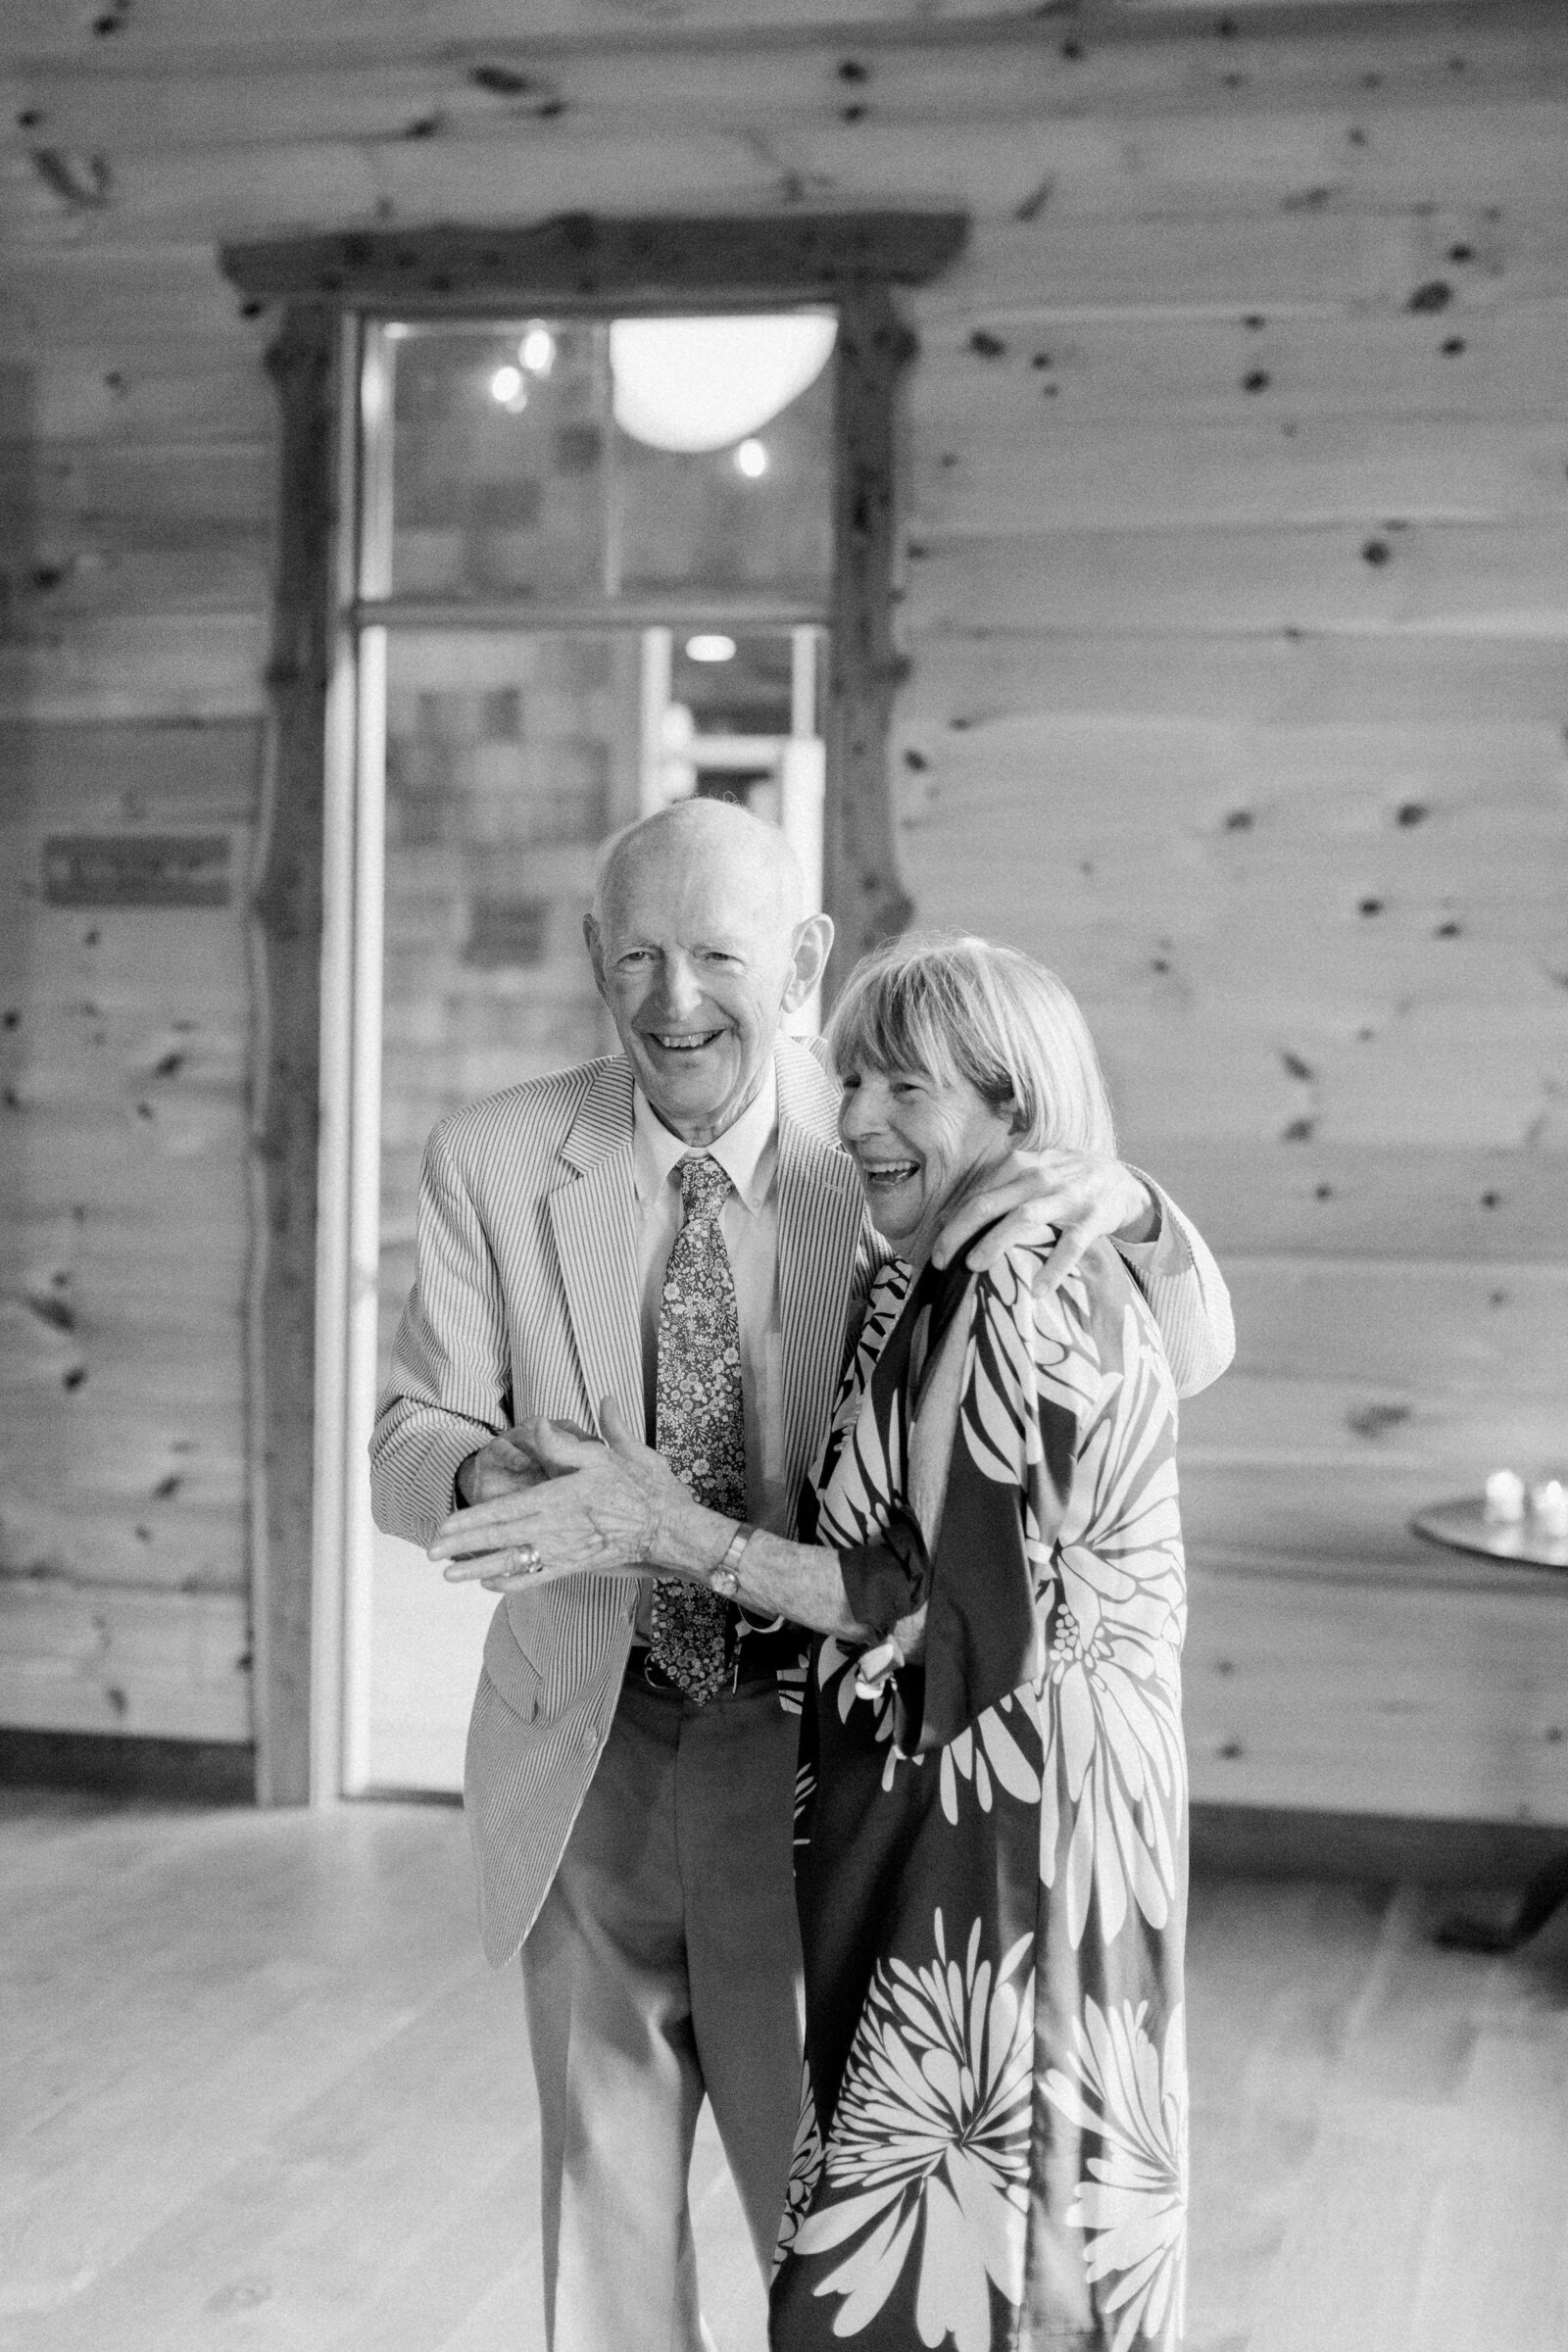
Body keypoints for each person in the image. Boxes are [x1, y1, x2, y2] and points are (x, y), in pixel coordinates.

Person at [377, 802, 1227, 2352]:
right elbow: (410, 1433)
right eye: (635, 955)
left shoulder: (894, 1157)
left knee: (829, 2208)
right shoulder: (493, 1157)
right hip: (590, 1737)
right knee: (605, 2207)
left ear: (800, 963)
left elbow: (1165, 1354)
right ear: (592, 958)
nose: (673, 1000)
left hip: (821, 1753)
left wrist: (1139, 1201)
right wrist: (512, 1481)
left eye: (716, 956)